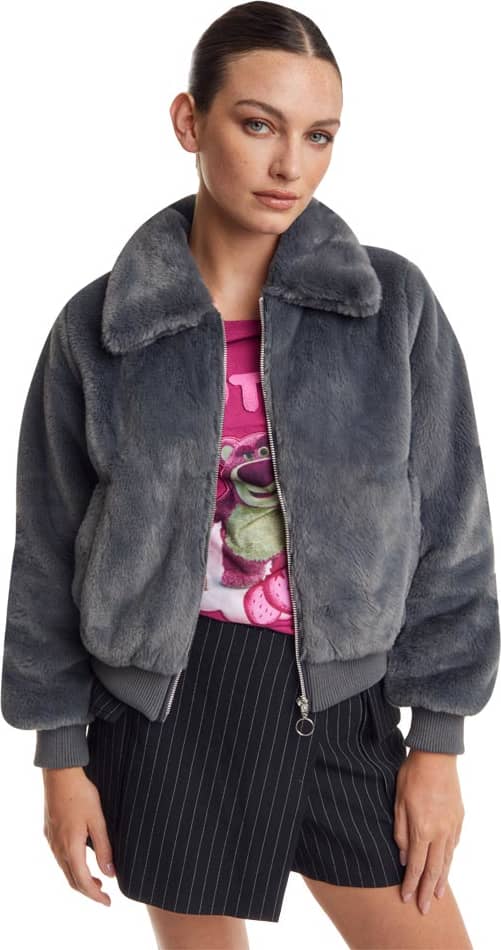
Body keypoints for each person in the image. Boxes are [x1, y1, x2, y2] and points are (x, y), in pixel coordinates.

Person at [1, 2, 498, 948]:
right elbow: (49, 548)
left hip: (338, 703)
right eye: (259, 124)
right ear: (189, 121)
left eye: (318, 136)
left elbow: (451, 529)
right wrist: (59, 756)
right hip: (162, 709)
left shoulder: (389, 305)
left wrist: (436, 743)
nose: (289, 166)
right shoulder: (101, 326)